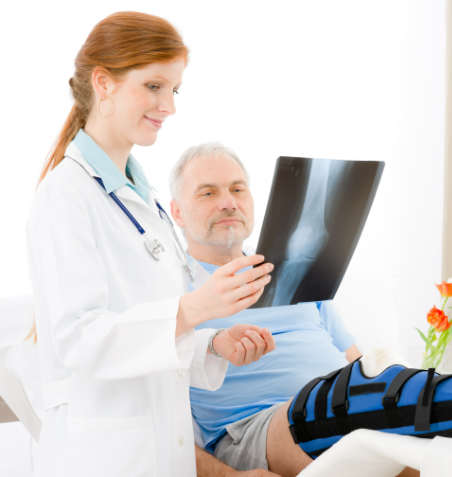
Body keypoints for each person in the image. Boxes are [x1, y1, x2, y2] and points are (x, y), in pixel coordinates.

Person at [25, 12, 276, 477]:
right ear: (104, 84)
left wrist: (214, 344)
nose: (170, 106)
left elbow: (150, 331)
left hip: (163, 449)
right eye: (155, 87)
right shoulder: (65, 195)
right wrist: (194, 308)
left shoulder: (146, 201)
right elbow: (79, 339)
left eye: (175, 90)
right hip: (104, 456)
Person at [168, 142, 414, 477]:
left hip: (340, 409)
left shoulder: (298, 270)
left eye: (238, 189)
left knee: (421, 437)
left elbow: (357, 363)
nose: (228, 203)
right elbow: (152, 416)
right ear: (177, 212)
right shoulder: (171, 290)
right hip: (253, 429)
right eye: (208, 193)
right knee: (351, 431)